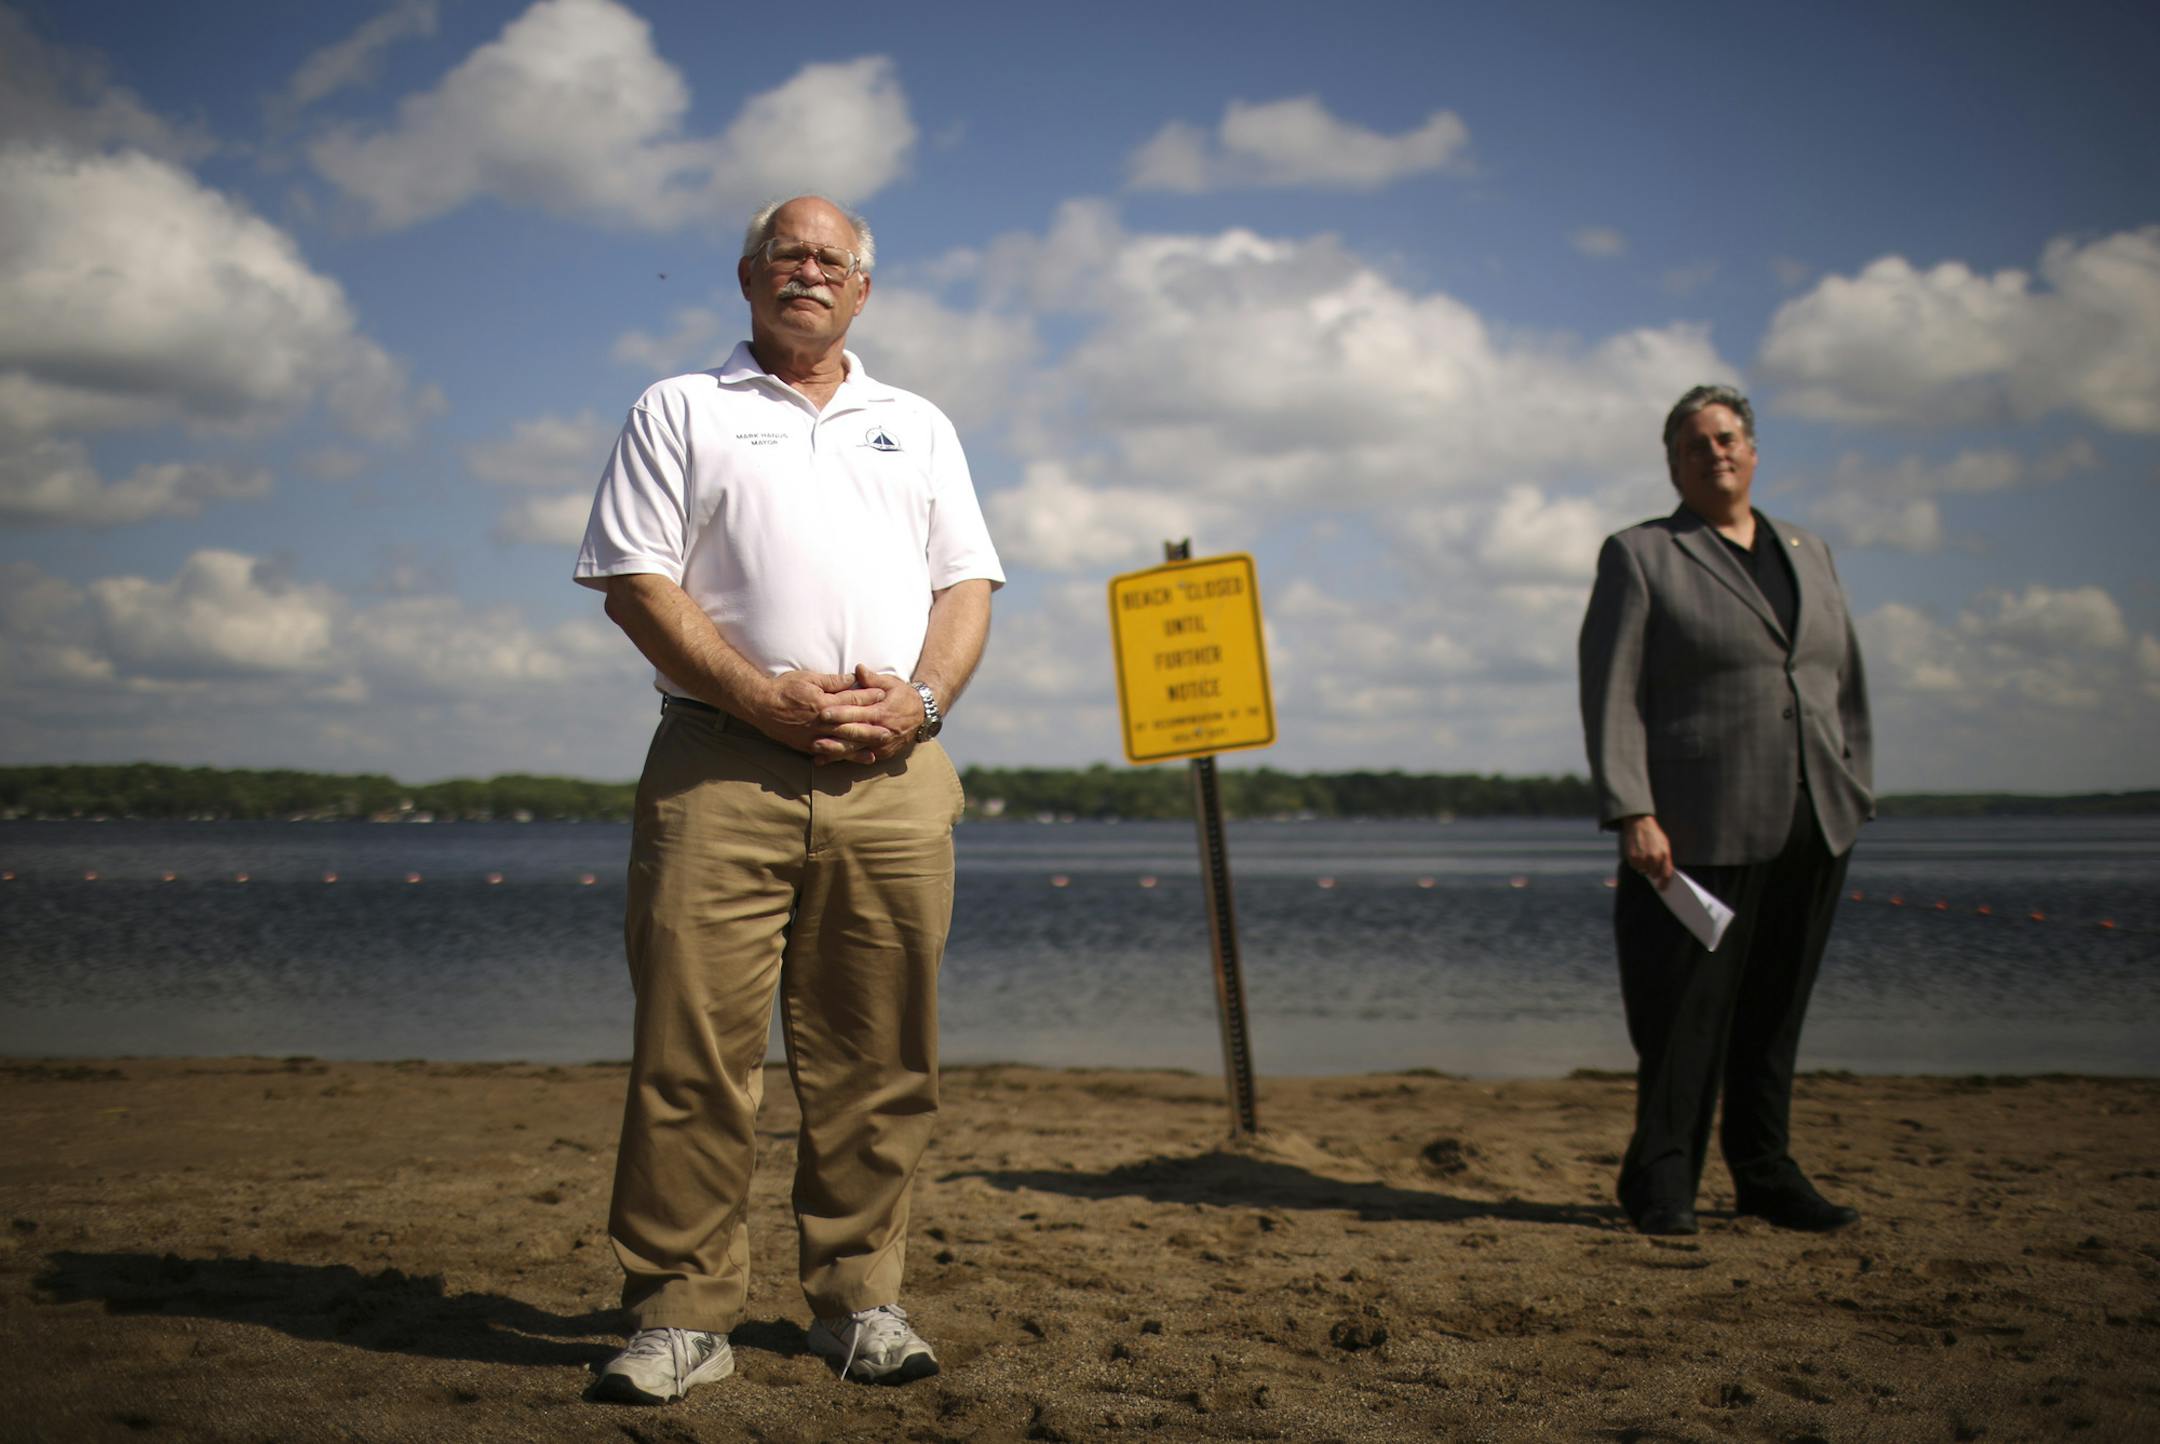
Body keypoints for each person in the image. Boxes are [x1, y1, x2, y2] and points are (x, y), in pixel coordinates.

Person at [572, 195, 1002, 1403]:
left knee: (881, 1055)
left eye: (832, 260)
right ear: (749, 277)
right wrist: (762, 698)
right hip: (720, 766)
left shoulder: (914, 425)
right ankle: (678, 1312)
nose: (808, 272)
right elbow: (636, 583)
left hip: (894, 774)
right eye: (787, 255)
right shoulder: (680, 408)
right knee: (692, 1050)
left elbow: (968, 587)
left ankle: (861, 1299)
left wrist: (921, 703)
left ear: (863, 289)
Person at [1577, 383, 1873, 1238]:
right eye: (1696, 444)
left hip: (1814, 816)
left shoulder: (1809, 550)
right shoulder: (1642, 555)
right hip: (1695, 825)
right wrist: (1634, 808)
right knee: (1683, 1013)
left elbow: (1840, 683)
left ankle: (1766, 1172)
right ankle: (1661, 1181)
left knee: (1777, 1009)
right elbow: (1613, 693)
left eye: (1729, 437)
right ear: (1674, 463)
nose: (1716, 453)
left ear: (1754, 449)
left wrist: (1853, 786)